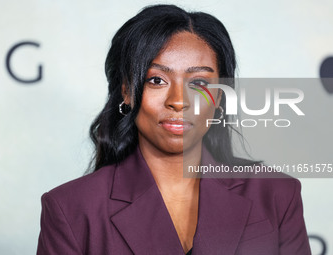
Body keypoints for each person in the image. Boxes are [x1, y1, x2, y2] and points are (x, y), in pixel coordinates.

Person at [36, 4, 311, 255]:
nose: (178, 101)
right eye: (157, 80)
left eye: (199, 84)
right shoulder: (70, 208)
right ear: (127, 92)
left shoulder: (276, 194)